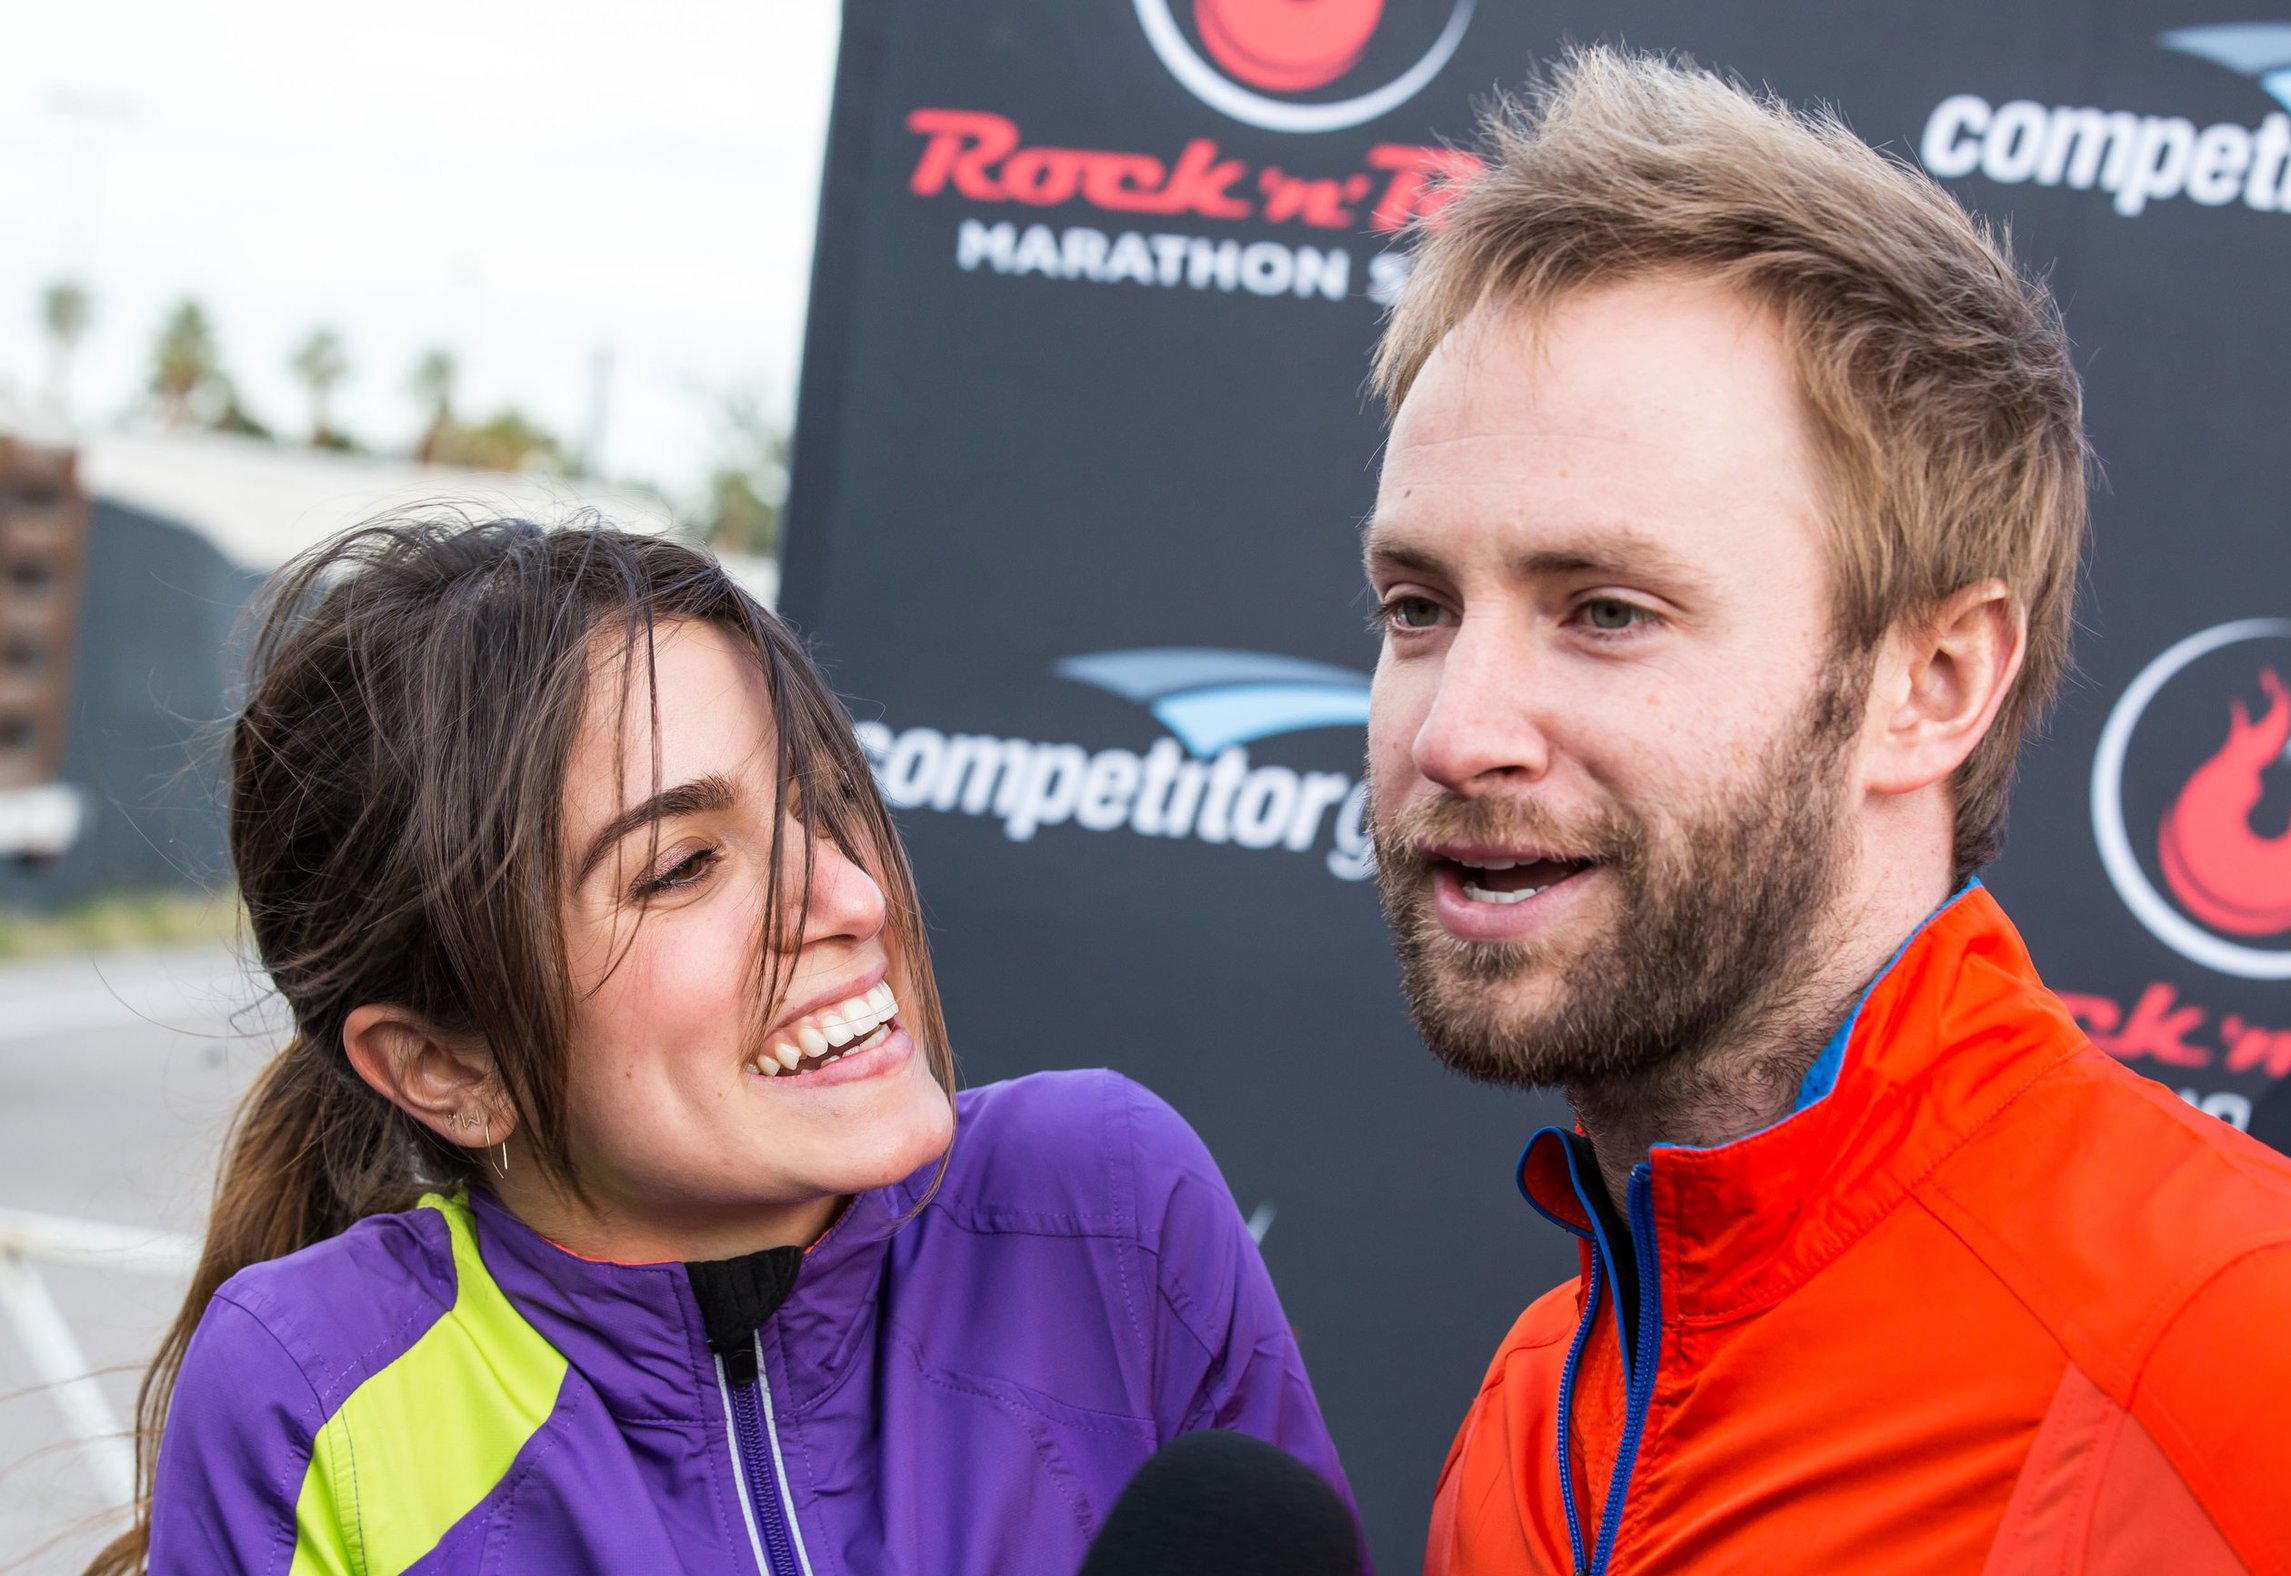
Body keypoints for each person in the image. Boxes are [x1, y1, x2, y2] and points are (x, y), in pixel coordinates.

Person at [1362, 47, 2291, 1576]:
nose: (1456, 727)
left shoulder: (2227, 1352)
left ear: (1927, 683)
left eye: (1601, 609)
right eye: (1414, 605)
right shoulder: (1532, 1417)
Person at [93, 518, 1351, 1575]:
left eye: (823, 801)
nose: (849, 895)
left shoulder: (1104, 1201)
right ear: (444, 1068)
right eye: (684, 866)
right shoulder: (302, 1390)